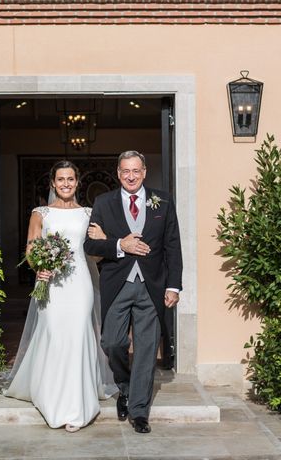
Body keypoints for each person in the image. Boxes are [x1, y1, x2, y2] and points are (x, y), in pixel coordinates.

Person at [5, 160, 116, 432]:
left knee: (79, 335)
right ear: (53, 183)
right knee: (54, 334)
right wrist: (39, 268)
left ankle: (77, 405)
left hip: (80, 284)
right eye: (60, 179)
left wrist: (102, 238)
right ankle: (51, 398)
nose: (65, 184)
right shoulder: (40, 213)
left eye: (70, 179)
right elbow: (31, 247)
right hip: (52, 285)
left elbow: (96, 255)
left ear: (77, 182)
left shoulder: (89, 213)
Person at [83, 150, 183, 434]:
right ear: (117, 173)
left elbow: (173, 246)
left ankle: (139, 412)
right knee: (112, 342)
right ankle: (124, 386)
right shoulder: (104, 203)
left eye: (136, 171)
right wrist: (119, 245)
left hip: (152, 285)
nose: (130, 176)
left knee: (147, 349)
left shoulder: (162, 200)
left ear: (144, 172)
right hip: (118, 284)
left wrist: (174, 285)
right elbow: (89, 246)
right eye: (125, 171)